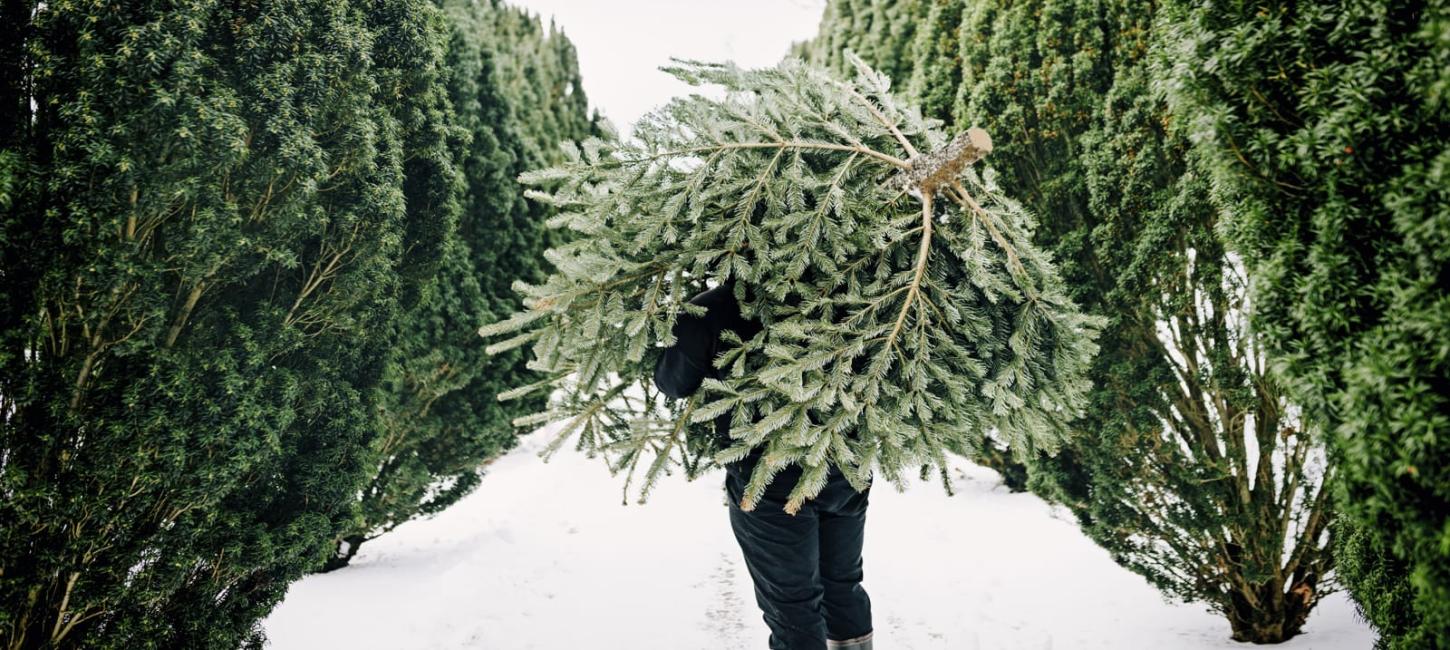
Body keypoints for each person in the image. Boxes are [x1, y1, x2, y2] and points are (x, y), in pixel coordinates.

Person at [653, 282, 875, 650]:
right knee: (843, 586)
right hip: (844, 466)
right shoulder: (851, 291)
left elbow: (674, 383)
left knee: (793, 606)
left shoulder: (709, 310)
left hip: (766, 481)